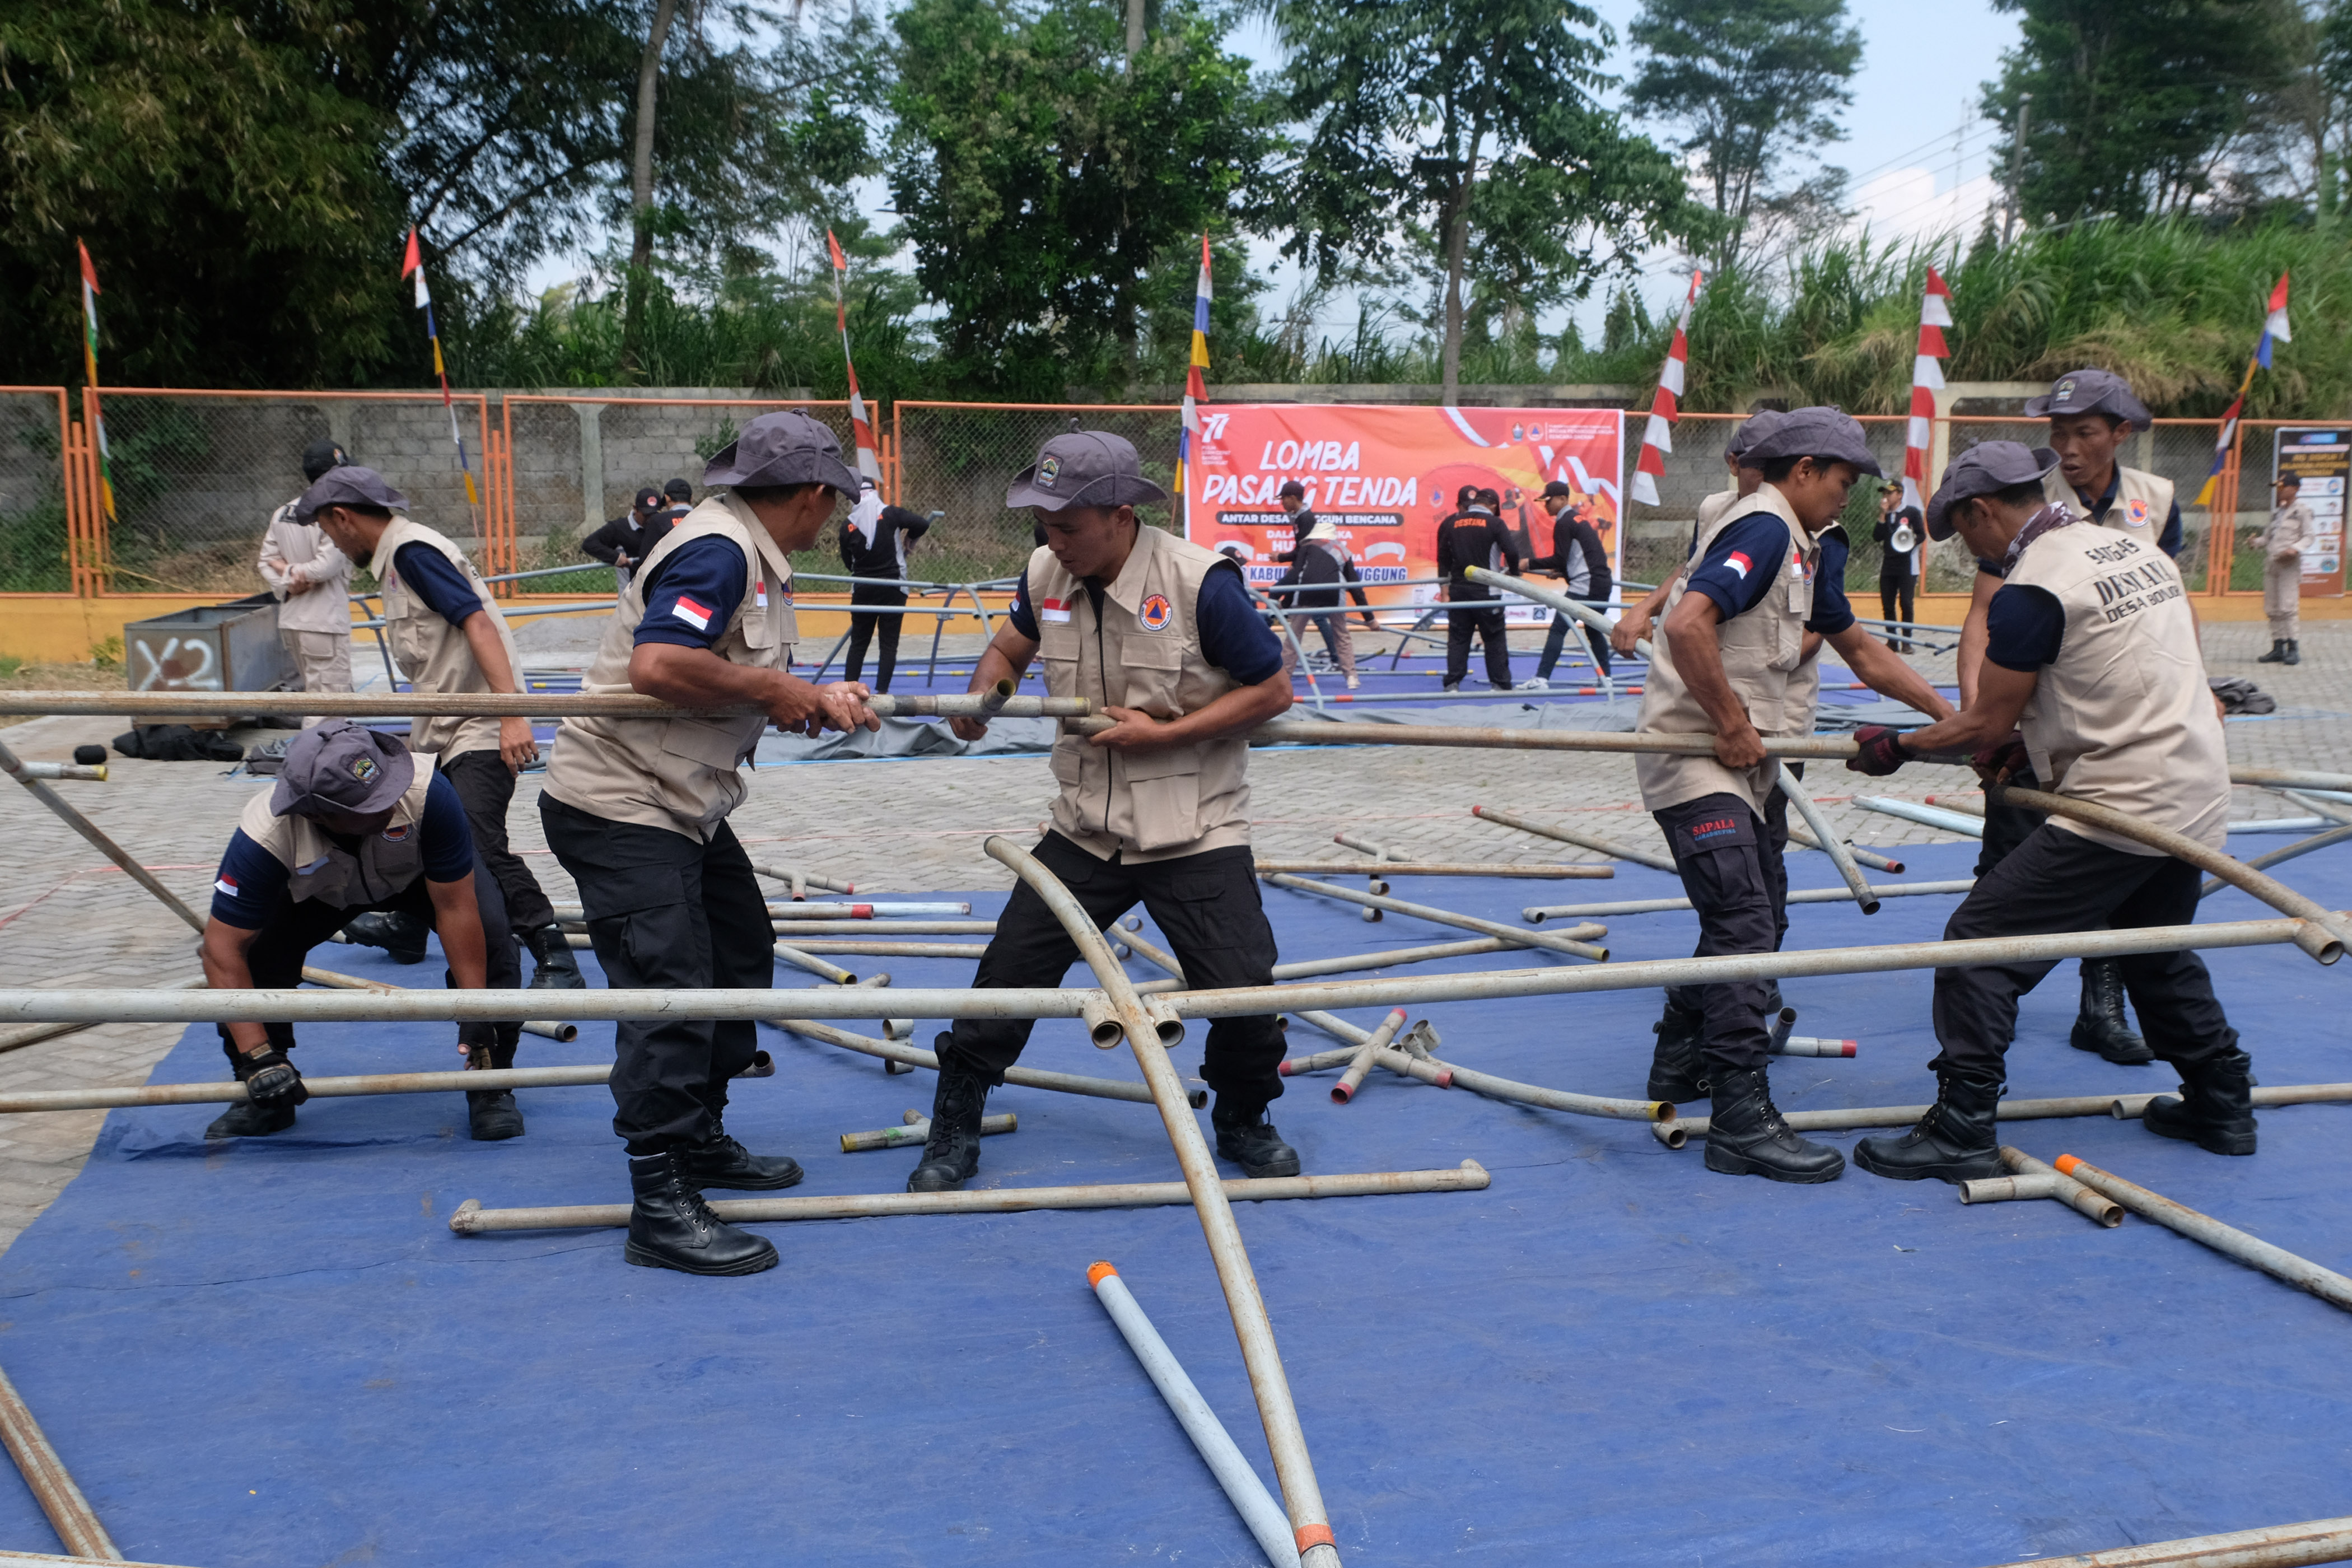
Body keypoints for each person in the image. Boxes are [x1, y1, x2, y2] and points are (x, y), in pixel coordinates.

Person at [1842, 441, 2252, 1179]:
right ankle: (2222, 1103)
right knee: (2151, 948)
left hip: (2121, 805)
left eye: (1964, 535)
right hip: (2194, 788)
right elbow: (2111, 675)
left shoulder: (2034, 587)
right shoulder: (2129, 550)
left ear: (1982, 511)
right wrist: (2030, 751)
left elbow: (1984, 726)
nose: (1968, 554)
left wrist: (1893, 746)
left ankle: (1963, 1124)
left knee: (1976, 947)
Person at [539, 410, 876, 1276]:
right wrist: (773, 687)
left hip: (683, 802)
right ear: (808, 494)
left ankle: (699, 1138)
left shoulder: (750, 554)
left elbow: (723, 675)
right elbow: (658, 667)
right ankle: (659, 1202)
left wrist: (800, 695)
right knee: (670, 987)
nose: (833, 515)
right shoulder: (719, 550)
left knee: (739, 950)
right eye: (831, 500)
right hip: (620, 803)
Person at [916, 431, 1299, 1193]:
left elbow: (1273, 691)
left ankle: (1245, 1116)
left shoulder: (1200, 584)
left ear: (1122, 515)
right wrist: (983, 698)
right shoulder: (1046, 571)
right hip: (1085, 826)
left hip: (1193, 825)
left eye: (1068, 525)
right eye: (1045, 524)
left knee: (1246, 991)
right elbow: (1007, 650)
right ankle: (955, 1122)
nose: (1052, 540)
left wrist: (1164, 734)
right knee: (1005, 980)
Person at [1634, 408, 1954, 1184]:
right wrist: (1731, 722)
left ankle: (1681, 1054)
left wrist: (1958, 722)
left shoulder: (1802, 547)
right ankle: (1741, 1117)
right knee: (1743, 920)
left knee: (1759, 912)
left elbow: (1865, 654)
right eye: (1843, 482)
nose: (1847, 499)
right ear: (1803, 470)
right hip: (1697, 758)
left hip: (1751, 764)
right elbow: (1686, 626)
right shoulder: (1765, 528)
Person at [1959, 368, 2187, 1067]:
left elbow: (2171, 600)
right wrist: (1981, 720)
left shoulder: (2156, 501)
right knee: (2012, 849)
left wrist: (2195, 686)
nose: (2069, 447)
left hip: (2114, 728)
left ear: (2120, 434)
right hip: (2036, 720)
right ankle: (1987, 987)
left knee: (2118, 864)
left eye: (2084, 432)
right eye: (2057, 433)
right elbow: (1982, 617)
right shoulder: (2028, 499)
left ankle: (2101, 1005)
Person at [300, 466, 582, 993]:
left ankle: (553, 952)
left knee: (475, 841)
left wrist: (512, 714)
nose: (333, 544)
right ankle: (409, 926)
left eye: (328, 531)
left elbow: (477, 622)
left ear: (343, 519)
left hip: (479, 725)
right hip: (444, 731)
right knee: (410, 829)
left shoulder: (413, 552)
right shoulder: (397, 560)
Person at [197, 720, 526, 1141]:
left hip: (418, 878)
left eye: (388, 787)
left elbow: (457, 907)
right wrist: (256, 1055)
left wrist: (476, 1007)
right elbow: (221, 951)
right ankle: (265, 1087)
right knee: (258, 954)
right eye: (371, 804)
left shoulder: (426, 791)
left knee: (495, 940)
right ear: (317, 813)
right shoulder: (264, 838)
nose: (391, 800)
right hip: (317, 894)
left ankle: (490, 1084)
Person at [1615, 411, 1785, 657]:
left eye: (1779, 470)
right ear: (1734, 464)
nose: (1770, 482)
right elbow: (1692, 572)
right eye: (1760, 468)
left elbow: (1820, 626)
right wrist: (1644, 608)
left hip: (1757, 683)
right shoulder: (1714, 510)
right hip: (1698, 667)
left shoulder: (1809, 528)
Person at [258, 439, 356, 703]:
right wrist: (295, 576)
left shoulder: (284, 512)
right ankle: (316, 747)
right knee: (329, 704)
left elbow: (266, 561)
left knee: (314, 697)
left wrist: (287, 582)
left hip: (292, 620)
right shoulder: (336, 514)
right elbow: (325, 568)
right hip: (324, 623)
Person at [1271, 479, 1374, 690]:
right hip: (1333, 595)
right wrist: (1370, 619)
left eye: (1284, 499)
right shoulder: (1342, 551)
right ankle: (1351, 677)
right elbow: (1355, 586)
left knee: (1293, 635)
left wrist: (1286, 603)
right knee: (1341, 634)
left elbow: (1299, 574)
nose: (1282, 503)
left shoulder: (1307, 544)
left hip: (1307, 595)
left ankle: (1283, 679)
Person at [838, 477, 934, 693]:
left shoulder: (847, 526)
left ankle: (848, 692)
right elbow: (922, 523)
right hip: (894, 587)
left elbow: (848, 562)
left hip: (863, 588)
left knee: (858, 644)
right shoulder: (890, 514)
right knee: (888, 644)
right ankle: (882, 694)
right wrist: (910, 538)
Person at [1523, 482, 1615, 689]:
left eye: (1549, 500)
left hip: (1586, 584)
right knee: (1594, 629)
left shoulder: (1564, 522)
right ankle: (1606, 678)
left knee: (1558, 628)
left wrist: (1528, 563)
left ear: (1563, 499)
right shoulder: (1577, 519)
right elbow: (1578, 557)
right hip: (1601, 582)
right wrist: (1564, 572)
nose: (1546, 505)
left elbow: (1559, 558)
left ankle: (1541, 679)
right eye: (1544, 501)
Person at [1436, 486, 1519, 692]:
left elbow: (1443, 558)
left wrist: (1445, 588)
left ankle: (1452, 684)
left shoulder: (1453, 523)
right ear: (1493, 505)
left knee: (1458, 638)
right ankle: (1499, 683)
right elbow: (1512, 551)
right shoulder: (1495, 523)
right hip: (1487, 592)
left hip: (1459, 591)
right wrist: (1514, 572)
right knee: (1494, 638)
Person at [2258, 473, 2316, 665]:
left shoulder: (2302, 511)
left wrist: (2295, 549)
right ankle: (2278, 647)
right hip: (2273, 563)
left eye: (2283, 487)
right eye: (2278, 488)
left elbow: (2309, 537)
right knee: (2273, 608)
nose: (2280, 491)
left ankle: (2293, 648)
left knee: (2288, 606)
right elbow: (2268, 538)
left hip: (2288, 566)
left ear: (2295, 489)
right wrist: (2254, 542)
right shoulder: (2278, 513)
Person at [580, 486, 675, 590]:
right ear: (635, 509)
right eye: (646, 515)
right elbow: (590, 544)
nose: (650, 520)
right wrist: (616, 558)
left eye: (654, 515)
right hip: (630, 594)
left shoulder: (662, 526)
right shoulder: (619, 528)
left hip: (656, 590)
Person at [1873, 482, 1922, 652]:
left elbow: (1922, 534)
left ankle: (1906, 641)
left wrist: (1910, 543)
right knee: (1888, 603)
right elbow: (1877, 536)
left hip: (1906, 565)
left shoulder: (1911, 512)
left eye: (1890, 493)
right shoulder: (1887, 515)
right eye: (1885, 493)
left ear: (1900, 494)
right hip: (1889, 564)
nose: (1886, 496)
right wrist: (1883, 514)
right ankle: (1892, 640)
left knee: (1906, 603)